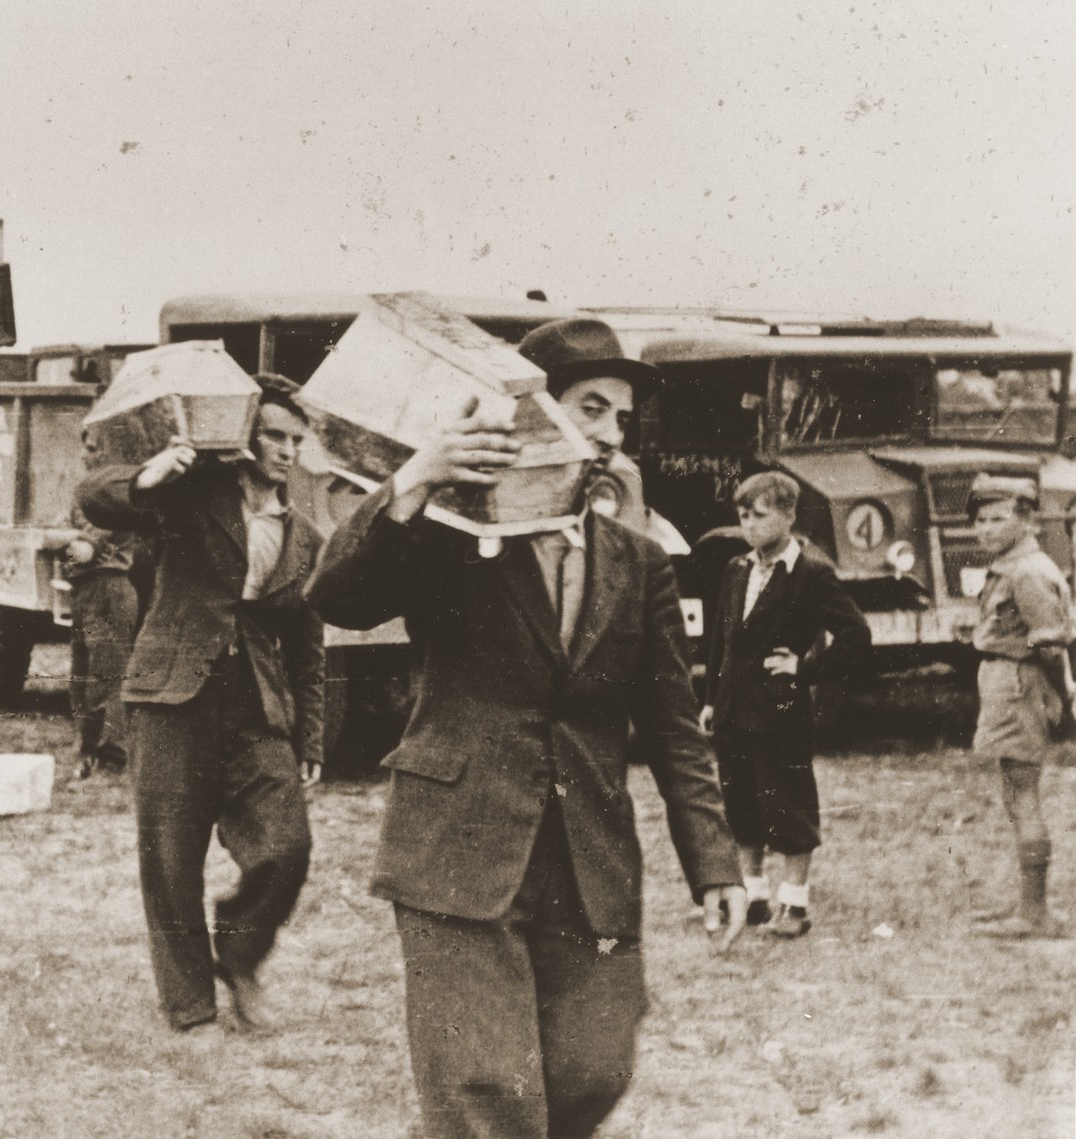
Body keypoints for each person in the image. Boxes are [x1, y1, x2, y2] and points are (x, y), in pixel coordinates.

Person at [306, 317, 746, 1139]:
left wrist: (713, 862)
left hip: (586, 859)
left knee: (593, 1067)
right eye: (592, 408)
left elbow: (675, 727)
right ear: (535, 416)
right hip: (456, 850)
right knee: (486, 1089)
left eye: (621, 416)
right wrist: (416, 481)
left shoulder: (640, 559)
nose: (611, 436)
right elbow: (337, 597)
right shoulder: (446, 534)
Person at [77, 374, 324, 1034]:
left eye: (296, 439)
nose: (286, 450)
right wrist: (152, 475)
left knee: (286, 845)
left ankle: (239, 956)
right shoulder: (190, 499)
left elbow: (308, 646)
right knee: (170, 858)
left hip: (256, 709)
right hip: (171, 695)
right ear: (246, 435)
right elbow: (95, 496)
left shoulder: (302, 535)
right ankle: (190, 1008)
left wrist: (312, 740)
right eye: (274, 434)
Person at [700, 471, 869, 938]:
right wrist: (712, 699)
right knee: (741, 805)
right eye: (743, 515)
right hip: (734, 711)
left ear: (789, 515)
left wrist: (804, 668)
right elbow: (723, 640)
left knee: (788, 806)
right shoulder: (737, 569)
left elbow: (857, 636)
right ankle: (753, 897)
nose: (750, 524)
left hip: (779, 712)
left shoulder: (811, 572)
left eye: (761, 514)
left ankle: (794, 907)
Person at [967, 473, 1070, 939]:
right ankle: (1028, 907)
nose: (985, 529)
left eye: (997, 519)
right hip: (1009, 681)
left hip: (1018, 686)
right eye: (980, 520)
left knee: (1022, 795)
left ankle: (1034, 914)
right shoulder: (1015, 565)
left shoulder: (1027, 571)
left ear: (1027, 520)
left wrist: (1064, 697)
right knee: (1015, 795)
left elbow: (1049, 645)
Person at [66, 436, 140, 779]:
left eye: (94, 447)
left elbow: (109, 529)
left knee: (107, 675)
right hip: (84, 588)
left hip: (109, 587)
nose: (85, 454)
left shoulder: (121, 489)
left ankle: (113, 757)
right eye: (86, 447)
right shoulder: (85, 491)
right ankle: (87, 752)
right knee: (81, 675)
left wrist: (86, 543)